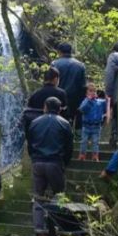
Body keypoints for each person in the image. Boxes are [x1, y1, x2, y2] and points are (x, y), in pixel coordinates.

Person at [26, 97, 74, 229]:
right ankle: (55, 225)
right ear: (59, 109)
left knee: (38, 196)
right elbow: (69, 147)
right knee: (59, 194)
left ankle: (39, 228)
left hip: (37, 162)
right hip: (55, 162)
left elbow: (30, 143)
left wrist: (34, 158)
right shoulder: (64, 123)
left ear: (45, 107)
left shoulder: (35, 122)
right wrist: (65, 162)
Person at [22, 67, 67, 140]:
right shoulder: (61, 94)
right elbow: (65, 114)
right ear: (56, 79)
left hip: (37, 132)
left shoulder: (35, 94)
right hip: (55, 132)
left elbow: (28, 112)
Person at [52, 42, 87, 129]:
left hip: (58, 98)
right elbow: (83, 85)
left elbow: (51, 81)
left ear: (59, 52)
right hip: (75, 98)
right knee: (73, 122)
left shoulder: (55, 64)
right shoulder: (80, 65)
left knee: (59, 123)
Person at [78, 84, 107, 161]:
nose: (92, 92)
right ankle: (82, 154)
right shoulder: (85, 101)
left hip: (96, 126)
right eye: (90, 91)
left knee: (95, 142)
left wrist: (108, 98)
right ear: (86, 93)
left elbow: (106, 106)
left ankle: (95, 155)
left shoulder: (100, 102)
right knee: (84, 141)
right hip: (86, 125)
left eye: (94, 91)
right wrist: (88, 100)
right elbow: (82, 109)